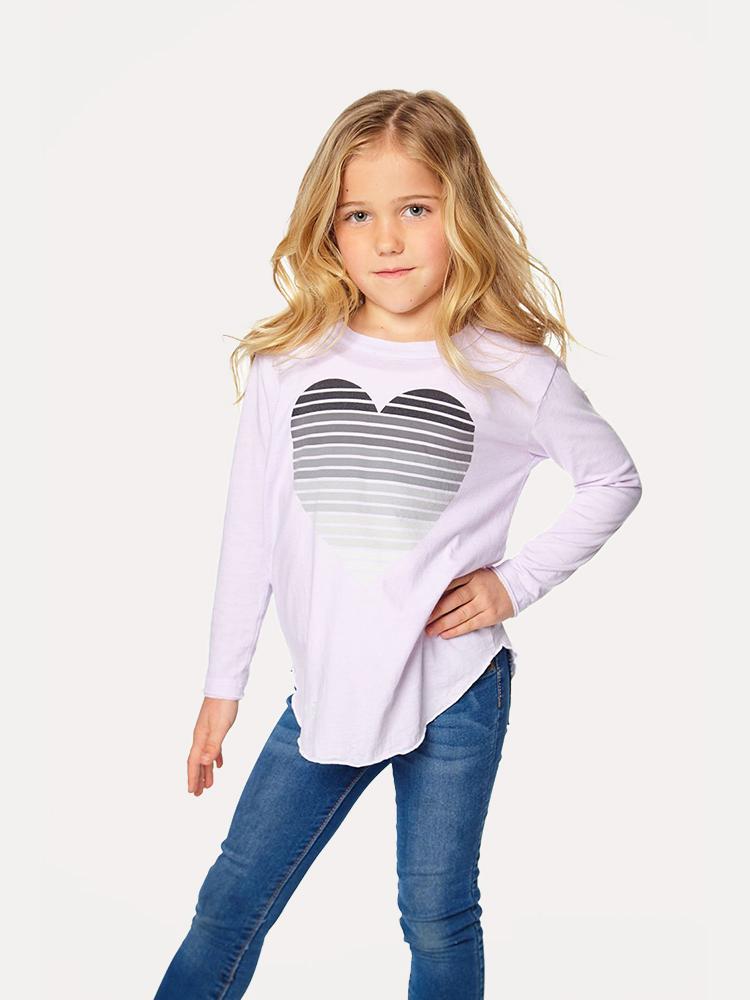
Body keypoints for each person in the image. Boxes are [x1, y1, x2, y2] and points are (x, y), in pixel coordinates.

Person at [154, 88, 643, 999]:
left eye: (415, 209)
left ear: (461, 213)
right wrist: (223, 687)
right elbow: (249, 532)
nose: (387, 240)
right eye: (359, 216)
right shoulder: (289, 364)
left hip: (455, 686)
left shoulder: (511, 369)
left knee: (436, 912)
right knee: (231, 902)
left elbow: (613, 479)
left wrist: (512, 584)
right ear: (329, 230)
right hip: (328, 687)